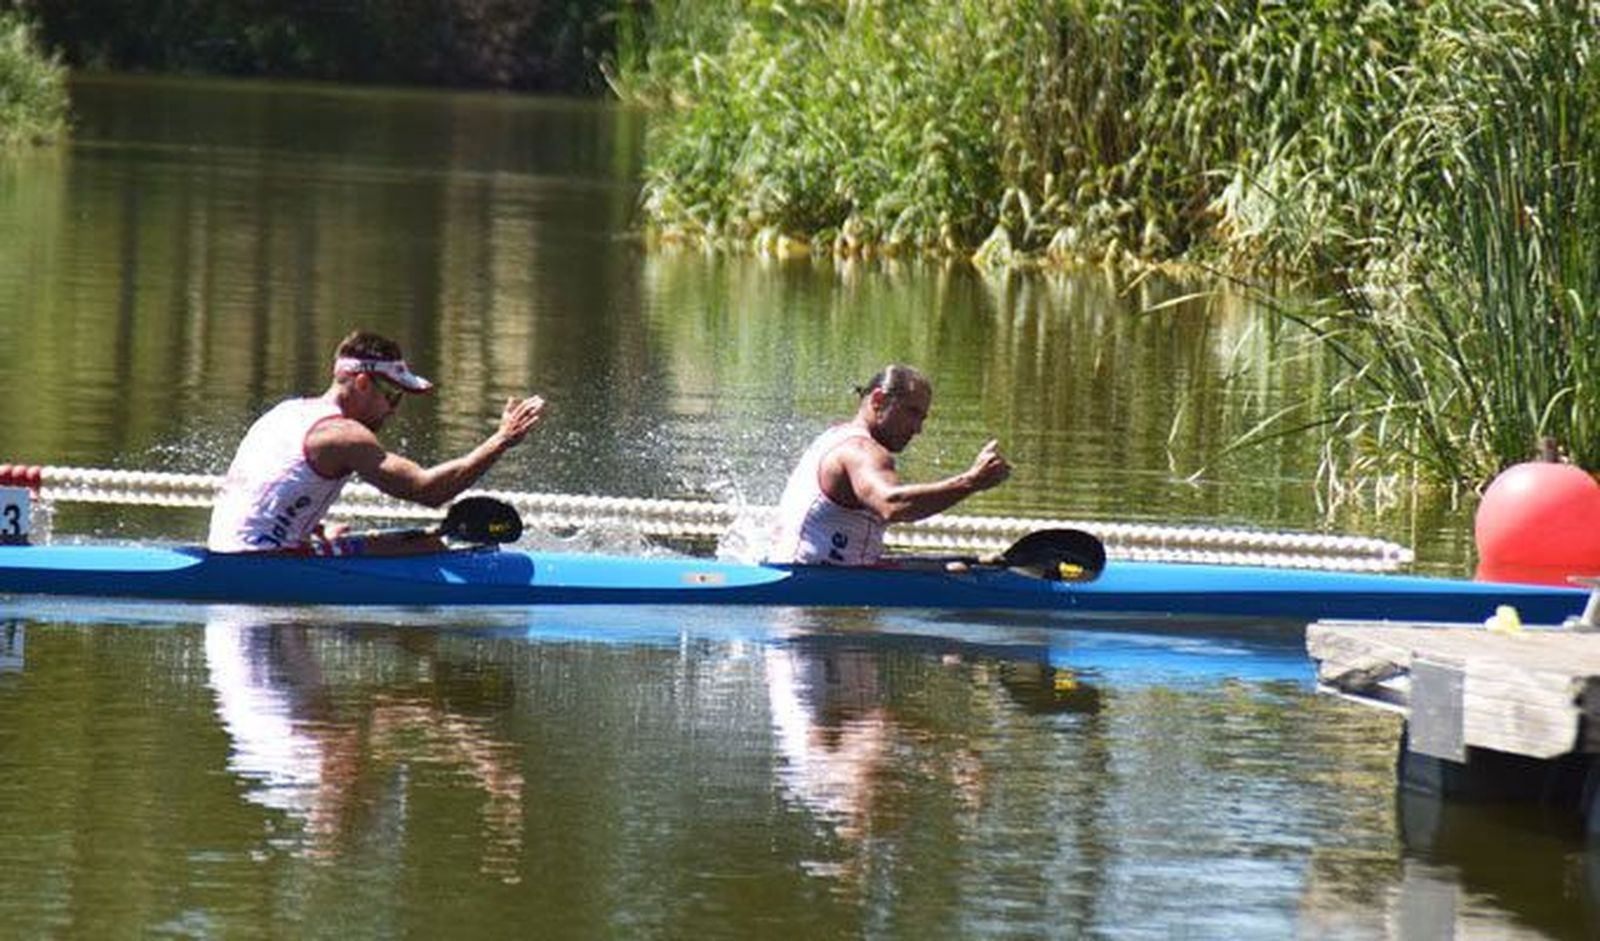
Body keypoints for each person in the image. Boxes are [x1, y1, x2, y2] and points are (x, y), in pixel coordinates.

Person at [207, 330, 545, 555]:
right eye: (392, 396)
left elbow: (268, 489)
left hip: (235, 552)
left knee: (416, 541)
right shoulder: (345, 436)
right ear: (364, 382)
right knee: (427, 547)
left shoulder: (287, 412)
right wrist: (501, 440)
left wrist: (312, 526)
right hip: (268, 566)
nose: (393, 410)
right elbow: (429, 491)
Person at [766, 364, 1010, 565]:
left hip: (794, 578)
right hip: (813, 601)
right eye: (912, 413)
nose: (918, 429)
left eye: (922, 418)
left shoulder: (836, 435)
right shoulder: (862, 451)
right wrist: (971, 482)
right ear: (879, 400)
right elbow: (892, 505)